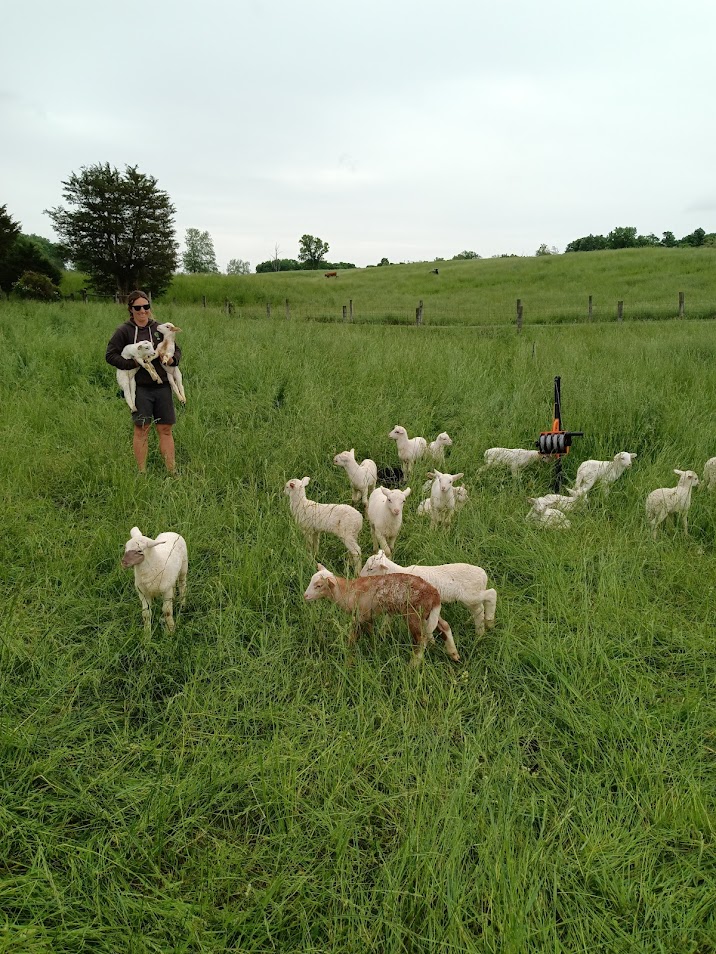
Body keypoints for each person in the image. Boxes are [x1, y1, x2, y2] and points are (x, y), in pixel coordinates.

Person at [105, 290, 181, 474]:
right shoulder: (124, 331)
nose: (143, 311)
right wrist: (133, 364)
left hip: (162, 385)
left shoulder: (159, 328)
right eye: (137, 307)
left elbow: (176, 350)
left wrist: (172, 360)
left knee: (165, 429)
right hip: (140, 388)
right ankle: (142, 473)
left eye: (146, 306)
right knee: (142, 429)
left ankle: (172, 472)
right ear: (131, 309)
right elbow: (110, 355)